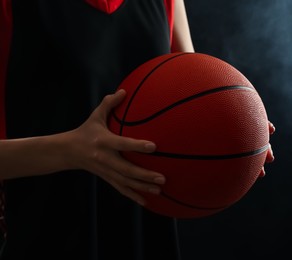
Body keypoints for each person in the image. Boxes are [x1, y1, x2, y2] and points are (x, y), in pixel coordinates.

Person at [0, 0, 275, 259]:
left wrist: (239, 131)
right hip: (48, 236)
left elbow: (198, 99)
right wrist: (72, 150)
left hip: (148, 235)